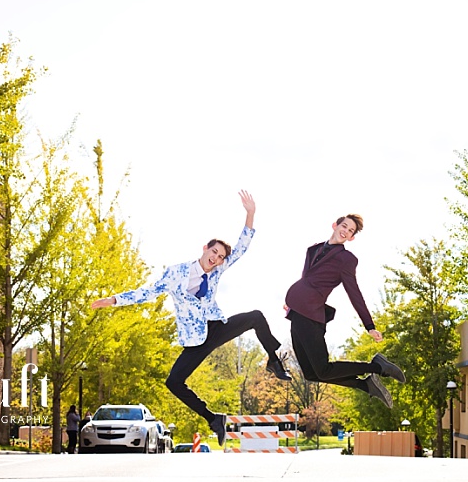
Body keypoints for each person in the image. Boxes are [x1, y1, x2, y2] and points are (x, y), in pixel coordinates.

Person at [90, 190, 289, 446]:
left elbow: (241, 248)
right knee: (173, 382)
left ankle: (273, 360)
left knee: (256, 317)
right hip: (195, 339)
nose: (215, 259)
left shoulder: (218, 269)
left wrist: (250, 214)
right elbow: (148, 292)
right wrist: (114, 300)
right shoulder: (177, 273)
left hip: (216, 327)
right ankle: (214, 419)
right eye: (214, 253)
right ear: (205, 248)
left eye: (219, 258)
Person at [281, 213, 404, 406]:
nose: (345, 231)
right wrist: (293, 302)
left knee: (323, 369)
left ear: (352, 237)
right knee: (312, 373)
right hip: (296, 314)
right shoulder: (312, 249)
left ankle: (378, 367)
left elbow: (353, 292)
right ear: (334, 225)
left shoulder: (346, 259)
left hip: (311, 315)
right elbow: (308, 278)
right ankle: (366, 385)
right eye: (344, 226)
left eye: (350, 231)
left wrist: (369, 325)